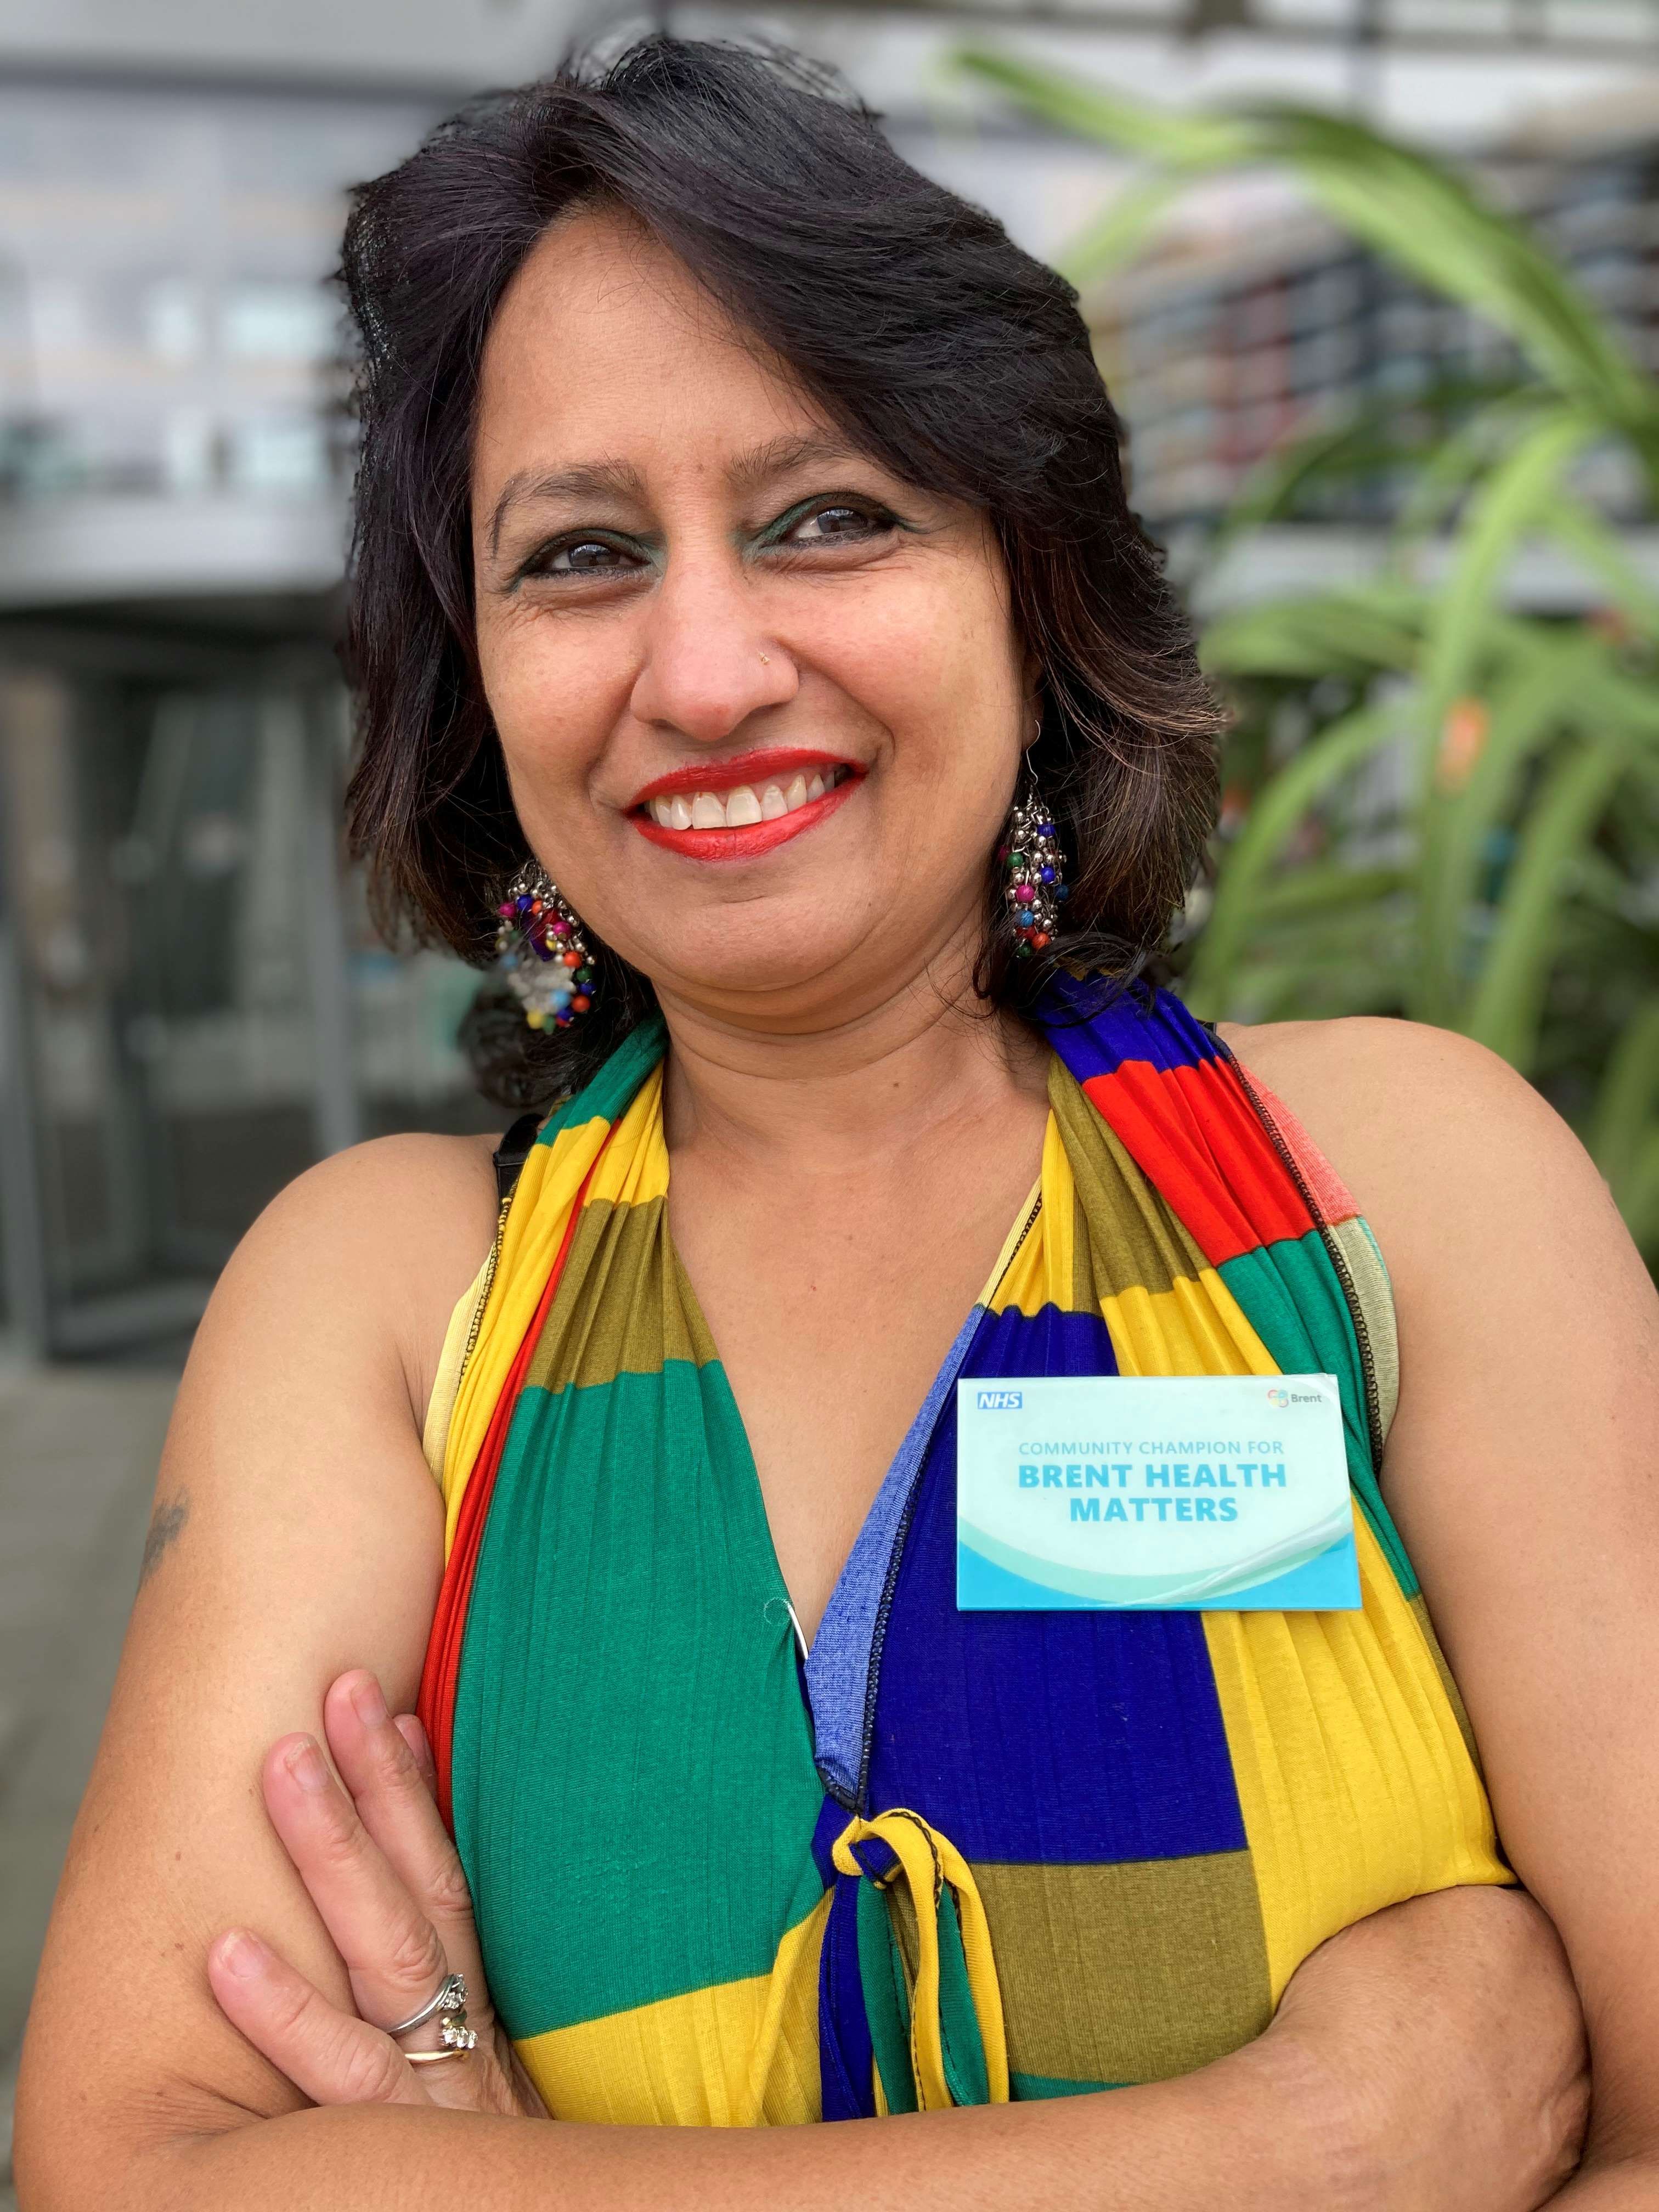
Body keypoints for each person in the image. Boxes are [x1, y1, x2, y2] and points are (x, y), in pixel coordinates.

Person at [20, 34, 1658, 2210]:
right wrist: (1303, 2146)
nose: (703, 670)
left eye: (828, 518)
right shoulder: (397, 1297)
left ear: (1031, 589)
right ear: (474, 680)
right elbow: (125, 2168)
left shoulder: (1397, 1198)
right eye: (582, 554)